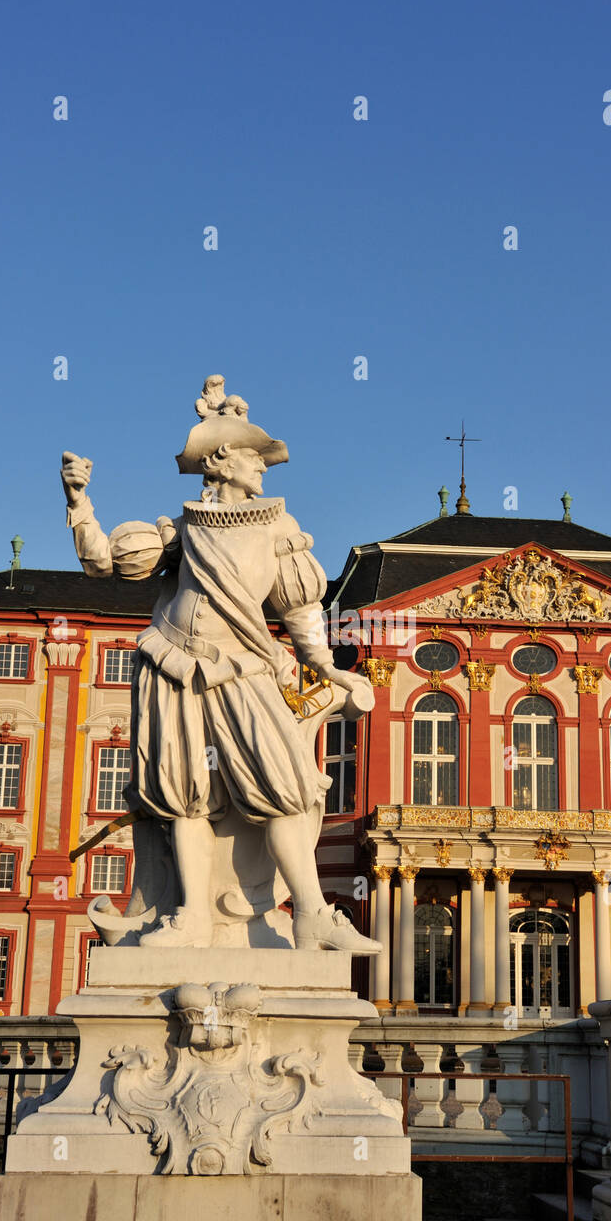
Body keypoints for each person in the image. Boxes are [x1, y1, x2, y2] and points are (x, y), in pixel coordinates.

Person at [60, 380, 379, 954]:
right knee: (183, 793)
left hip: (244, 669)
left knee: (285, 785)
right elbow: (105, 564)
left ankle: (311, 913)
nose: (262, 467)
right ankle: (192, 920)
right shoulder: (182, 528)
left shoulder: (278, 527)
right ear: (220, 461)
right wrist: (80, 504)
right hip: (171, 663)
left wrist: (328, 670)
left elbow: (301, 608)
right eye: (253, 456)